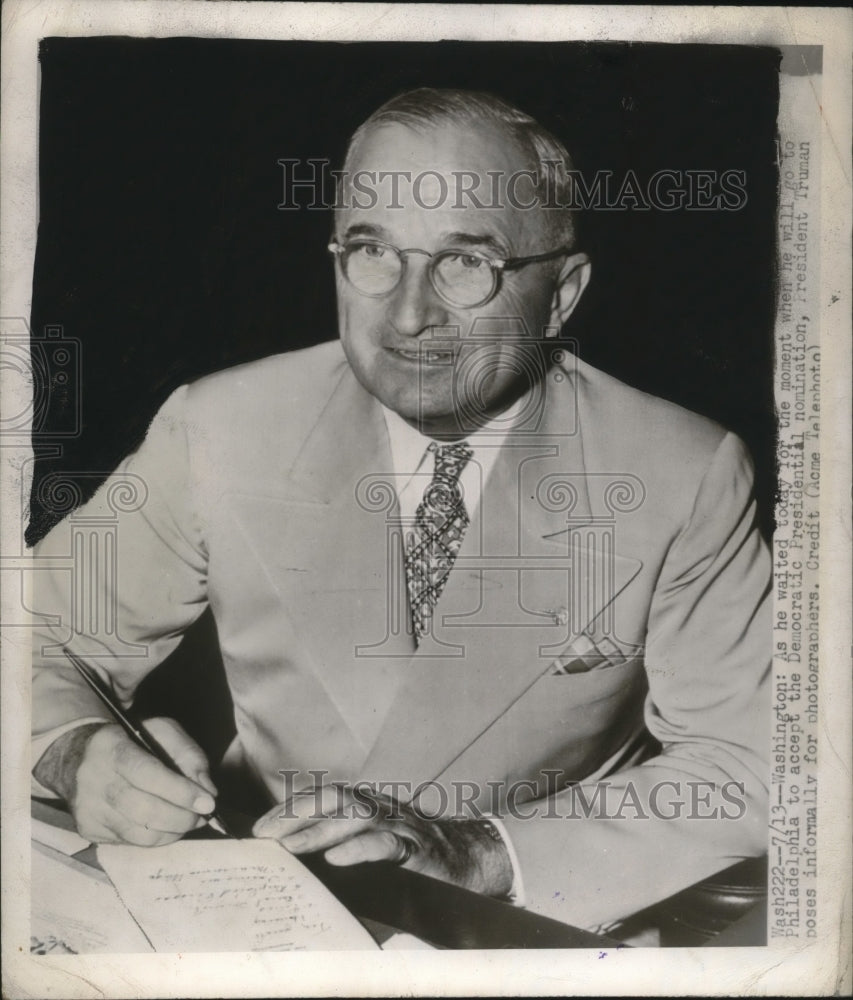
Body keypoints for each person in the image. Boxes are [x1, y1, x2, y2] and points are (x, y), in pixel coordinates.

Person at [31, 88, 770, 932]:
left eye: (465, 262)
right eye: (373, 252)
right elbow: (35, 631)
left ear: (561, 295)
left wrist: (481, 850)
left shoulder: (683, 470)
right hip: (249, 909)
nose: (409, 314)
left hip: (524, 930)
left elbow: (747, 763)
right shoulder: (222, 425)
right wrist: (70, 746)